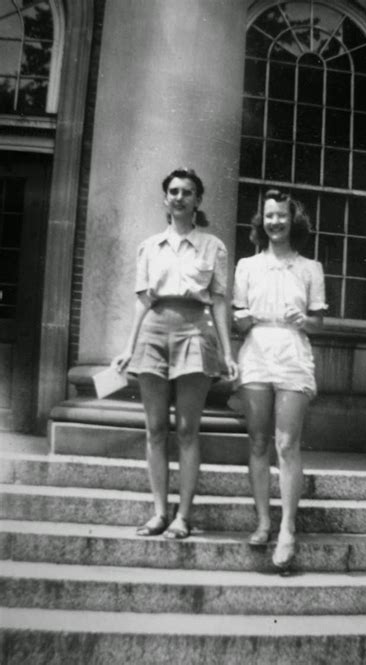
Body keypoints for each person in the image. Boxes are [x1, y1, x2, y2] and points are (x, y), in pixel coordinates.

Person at [113, 167, 238, 539]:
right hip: (153, 331)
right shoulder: (148, 247)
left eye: (187, 192)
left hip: (194, 331)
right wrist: (127, 347)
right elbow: (141, 302)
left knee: (186, 429)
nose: (179, 197)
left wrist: (228, 352)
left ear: (198, 200)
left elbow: (218, 304)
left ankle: (183, 516)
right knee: (154, 428)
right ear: (165, 199)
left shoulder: (213, 246)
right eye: (173, 191)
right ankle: (158, 513)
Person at [232, 189, 327, 569]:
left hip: (291, 353)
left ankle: (288, 527)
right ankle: (263, 520)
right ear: (262, 221)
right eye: (269, 216)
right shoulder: (246, 266)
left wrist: (307, 321)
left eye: (282, 216)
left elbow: (318, 321)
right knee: (258, 441)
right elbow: (239, 317)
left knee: (286, 443)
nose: (275, 222)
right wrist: (241, 320)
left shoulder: (310, 268)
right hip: (256, 351)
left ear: (293, 221)